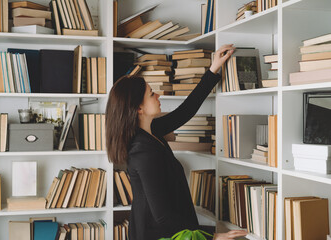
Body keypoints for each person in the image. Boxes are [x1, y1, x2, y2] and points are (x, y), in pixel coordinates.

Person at [106, 44, 248, 240]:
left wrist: (213, 69)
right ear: (138, 108)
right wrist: (212, 236)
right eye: (151, 94)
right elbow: (163, 217)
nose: (158, 95)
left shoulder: (150, 131)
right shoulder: (143, 151)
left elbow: (184, 112)